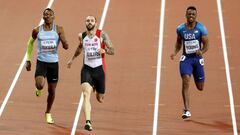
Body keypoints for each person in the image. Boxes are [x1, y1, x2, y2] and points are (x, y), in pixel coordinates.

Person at [67, 15, 114, 131]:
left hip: (99, 70)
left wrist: (105, 50)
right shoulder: (81, 36)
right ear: (85, 23)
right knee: (86, 95)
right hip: (87, 69)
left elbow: (113, 50)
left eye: (92, 20)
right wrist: (72, 59)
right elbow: (79, 48)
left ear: (95, 23)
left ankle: (95, 87)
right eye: (87, 20)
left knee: (100, 98)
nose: (89, 22)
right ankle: (88, 122)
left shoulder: (102, 35)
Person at [25, 8, 69, 124]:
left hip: (53, 64)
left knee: (52, 90)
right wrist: (28, 59)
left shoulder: (59, 29)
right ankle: (38, 89)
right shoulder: (36, 30)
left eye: (50, 14)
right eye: (45, 15)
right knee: (40, 85)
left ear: (54, 17)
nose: (47, 16)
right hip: (41, 62)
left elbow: (66, 45)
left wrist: (64, 43)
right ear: (43, 17)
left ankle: (48, 112)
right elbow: (30, 43)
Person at [170, 6, 209, 120]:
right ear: (186, 15)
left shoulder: (201, 29)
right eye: (189, 14)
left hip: (197, 60)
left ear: (196, 15)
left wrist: (201, 51)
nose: (191, 16)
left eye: (193, 14)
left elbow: (207, 45)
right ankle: (186, 110)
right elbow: (178, 43)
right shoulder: (181, 29)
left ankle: (198, 80)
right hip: (186, 59)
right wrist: (175, 52)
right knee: (186, 80)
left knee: (200, 87)